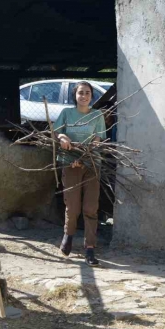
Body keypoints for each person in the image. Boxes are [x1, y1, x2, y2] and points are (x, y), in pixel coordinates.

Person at [53, 81, 107, 266]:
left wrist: (88, 153)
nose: (84, 96)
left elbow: (99, 138)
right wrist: (63, 137)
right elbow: (56, 133)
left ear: (91, 96)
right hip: (70, 163)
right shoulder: (66, 113)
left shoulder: (97, 114)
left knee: (91, 207)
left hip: (92, 162)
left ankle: (90, 248)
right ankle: (68, 236)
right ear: (75, 95)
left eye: (87, 93)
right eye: (80, 93)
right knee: (73, 205)